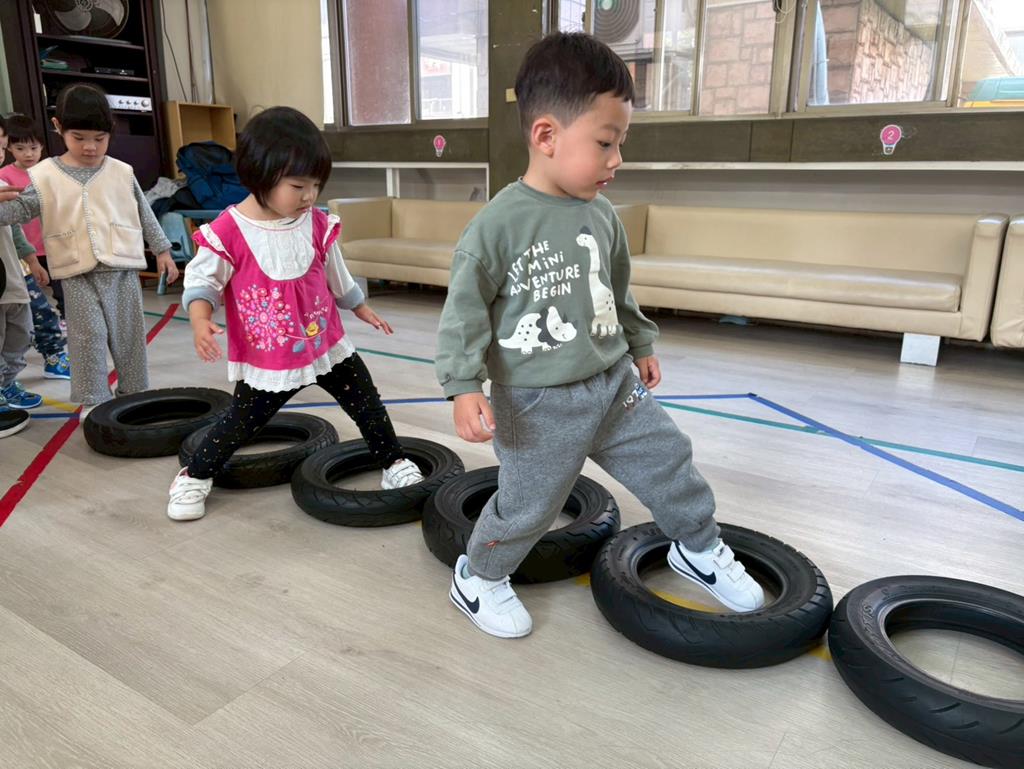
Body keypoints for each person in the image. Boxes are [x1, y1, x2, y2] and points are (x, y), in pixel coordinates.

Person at [435, 33, 765, 639]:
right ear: (547, 136)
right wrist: (463, 386)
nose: (617, 160)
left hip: (612, 385)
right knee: (529, 504)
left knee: (670, 459)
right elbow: (464, 314)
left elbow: (617, 289)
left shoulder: (602, 215)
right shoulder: (496, 227)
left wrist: (640, 343)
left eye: (621, 143)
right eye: (606, 143)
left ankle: (697, 547)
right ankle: (478, 577)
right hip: (536, 402)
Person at [168, 106, 423, 521]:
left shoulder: (316, 222)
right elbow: (203, 281)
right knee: (242, 422)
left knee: (366, 403)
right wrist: (199, 319)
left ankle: (393, 462)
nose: (309, 196)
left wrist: (360, 306)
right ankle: (194, 475)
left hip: (327, 344)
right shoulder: (229, 231)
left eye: (316, 185)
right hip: (271, 358)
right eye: (298, 186)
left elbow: (336, 273)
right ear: (259, 175)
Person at [0, 83, 179, 411]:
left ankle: (134, 395)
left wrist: (162, 250)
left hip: (122, 270)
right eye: (79, 137)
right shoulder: (45, 175)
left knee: (129, 338)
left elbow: (143, 211)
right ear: (58, 127)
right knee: (88, 340)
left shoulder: (121, 171)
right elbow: (20, 209)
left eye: (99, 138)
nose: (90, 147)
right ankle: (94, 403)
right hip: (76, 273)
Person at [0, 113, 71, 380]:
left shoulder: (11, 181)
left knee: (38, 316)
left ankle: (53, 358)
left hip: (20, 266)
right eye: (19, 148)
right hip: (9, 272)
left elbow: (15, 229)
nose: (28, 153)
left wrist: (30, 261)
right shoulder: (6, 177)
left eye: (0, 146)